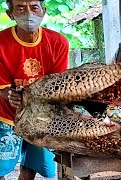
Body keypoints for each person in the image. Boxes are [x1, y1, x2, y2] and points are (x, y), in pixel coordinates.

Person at [0, 0, 69, 179]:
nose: (28, 13)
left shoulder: (58, 42)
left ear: (43, 11)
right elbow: (2, 87)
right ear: (10, 14)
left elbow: (56, 84)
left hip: (41, 113)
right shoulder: (0, 43)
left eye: (34, 7)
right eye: (20, 8)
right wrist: (8, 93)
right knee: (0, 166)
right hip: (6, 113)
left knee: (33, 165)